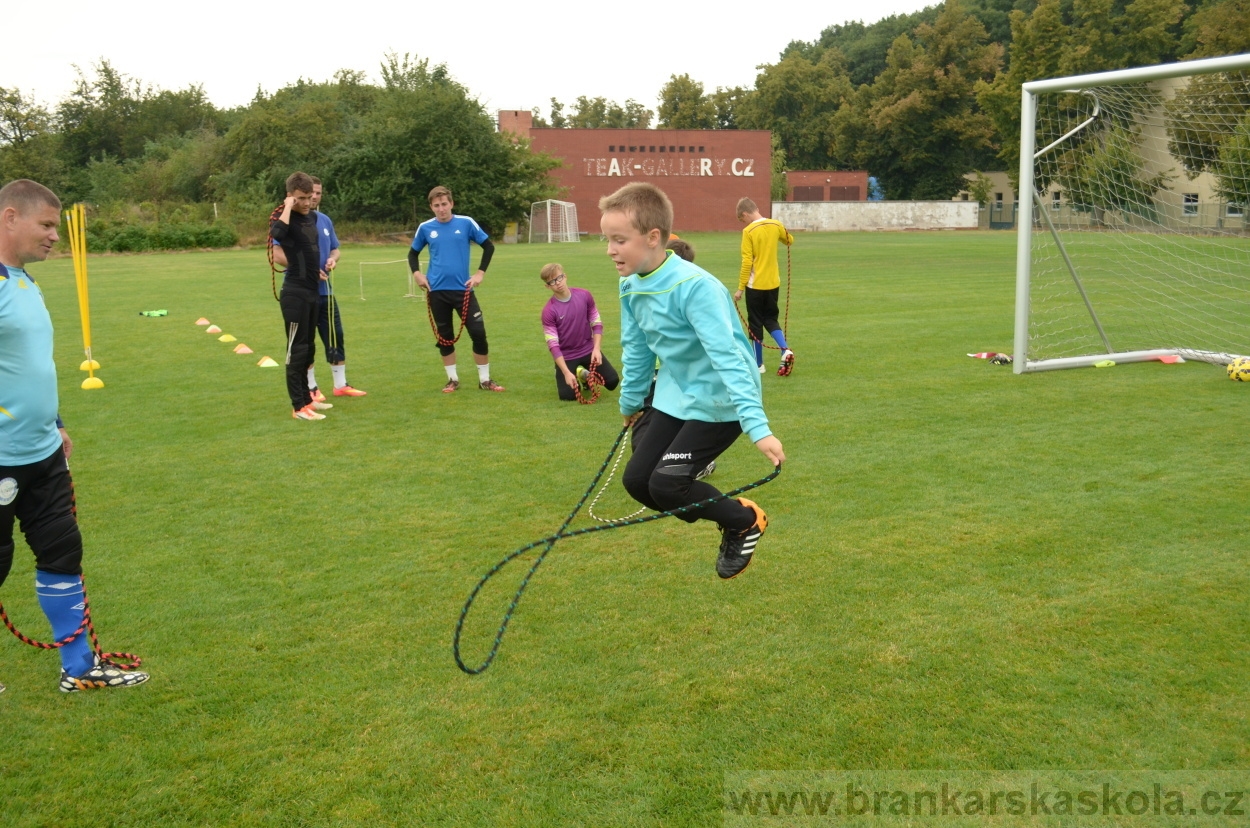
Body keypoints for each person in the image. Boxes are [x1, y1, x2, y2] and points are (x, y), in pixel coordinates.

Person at [0, 179, 150, 692]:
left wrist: (55, 421)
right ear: (9, 218)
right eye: (45, 226)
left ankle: (80, 668)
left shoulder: (22, 279)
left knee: (62, 553)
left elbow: (28, 366)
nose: (52, 238)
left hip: (43, 452)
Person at [604, 182, 785, 579]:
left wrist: (758, 427)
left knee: (668, 486)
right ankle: (731, 517)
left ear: (653, 237)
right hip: (675, 396)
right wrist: (630, 403)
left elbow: (731, 359)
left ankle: (742, 521)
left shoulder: (696, 287)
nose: (610, 250)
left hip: (721, 404)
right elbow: (636, 349)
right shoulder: (630, 283)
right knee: (638, 482)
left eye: (619, 240)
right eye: (608, 239)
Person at [271, 178, 366, 400]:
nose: (314, 198)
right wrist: (307, 270)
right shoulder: (290, 221)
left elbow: (335, 250)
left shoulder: (323, 220)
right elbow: (277, 254)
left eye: (318, 193)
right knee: (304, 342)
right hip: (300, 289)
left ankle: (340, 384)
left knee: (335, 335)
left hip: (325, 292)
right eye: (309, 194)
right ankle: (311, 388)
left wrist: (333, 260)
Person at [409, 186, 504, 393]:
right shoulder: (425, 228)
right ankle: (452, 379)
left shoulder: (466, 223)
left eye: (444, 204)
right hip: (437, 291)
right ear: (431, 207)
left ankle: (485, 380)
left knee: (478, 332)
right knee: (444, 336)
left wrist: (480, 273)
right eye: (437, 205)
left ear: (451, 203)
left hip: (464, 290)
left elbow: (489, 246)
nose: (441, 209)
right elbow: (412, 254)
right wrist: (417, 274)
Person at [271, 172, 334, 420]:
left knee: (308, 348)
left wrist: (314, 271)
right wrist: (288, 207)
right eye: (301, 198)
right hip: (294, 293)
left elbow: (306, 252)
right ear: (290, 197)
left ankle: (308, 399)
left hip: (311, 291)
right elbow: (278, 233)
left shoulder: (313, 217)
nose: (307, 203)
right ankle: (298, 406)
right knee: (296, 351)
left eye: (309, 197)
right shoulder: (282, 218)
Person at [539, 263, 620, 402]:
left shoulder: (584, 295)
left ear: (565, 276)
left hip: (588, 350)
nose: (558, 283)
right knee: (567, 397)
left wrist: (597, 349)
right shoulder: (549, 311)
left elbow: (596, 322)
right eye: (552, 282)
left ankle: (584, 375)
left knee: (612, 382)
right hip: (567, 356)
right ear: (547, 286)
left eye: (559, 278)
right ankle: (579, 373)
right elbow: (553, 345)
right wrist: (566, 372)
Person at [735, 197, 795, 376]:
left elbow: (747, 261)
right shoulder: (776, 225)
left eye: (741, 219)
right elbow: (789, 240)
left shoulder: (749, 231)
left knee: (754, 324)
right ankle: (785, 350)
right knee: (771, 319)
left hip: (756, 285)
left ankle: (758, 364)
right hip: (773, 282)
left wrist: (740, 288)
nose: (743, 223)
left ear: (745, 214)